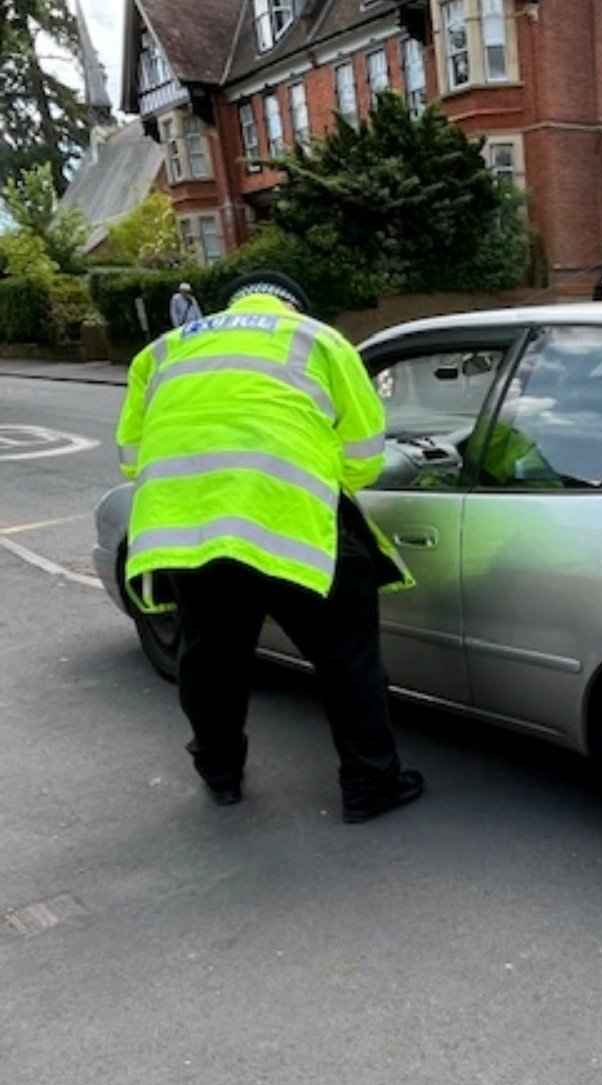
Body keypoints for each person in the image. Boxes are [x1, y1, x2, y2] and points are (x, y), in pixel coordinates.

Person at [115, 269, 424, 822]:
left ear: (230, 304)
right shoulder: (319, 340)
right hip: (288, 525)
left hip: (192, 532)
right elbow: (364, 457)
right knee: (347, 660)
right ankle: (370, 785)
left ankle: (221, 775)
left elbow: (133, 458)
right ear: (295, 305)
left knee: (210, 662)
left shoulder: (159, 353)